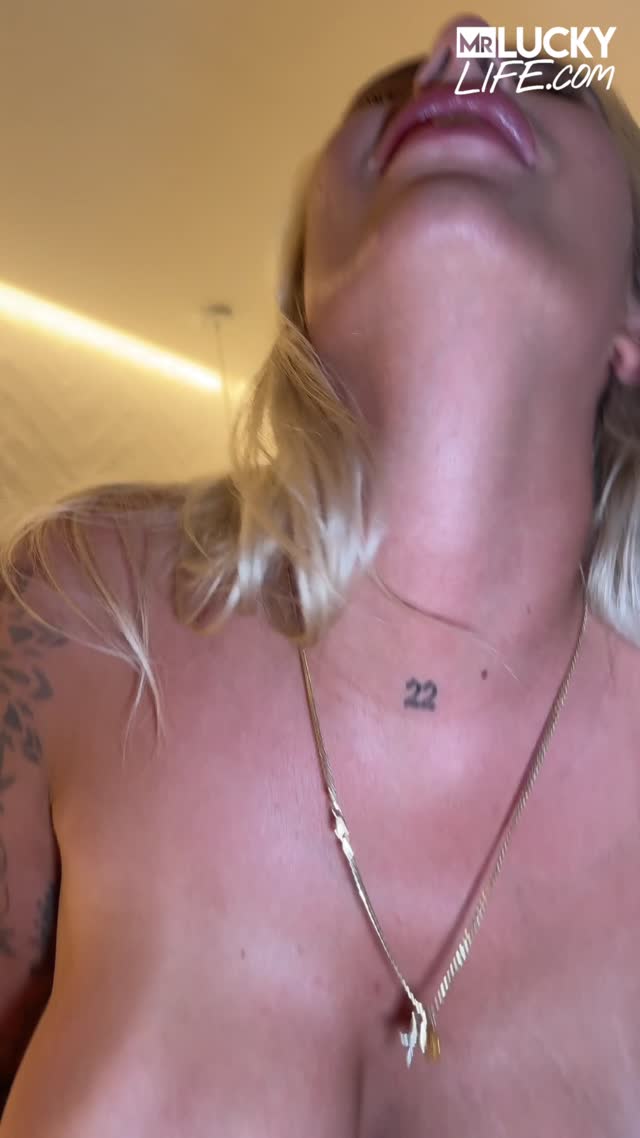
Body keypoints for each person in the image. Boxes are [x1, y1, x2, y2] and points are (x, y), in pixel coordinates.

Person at [1, 11, 639, 1135]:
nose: (461, 42)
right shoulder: (85, 613)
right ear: (305, 300)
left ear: (632, 321)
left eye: (545, 79)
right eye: (387, 99)